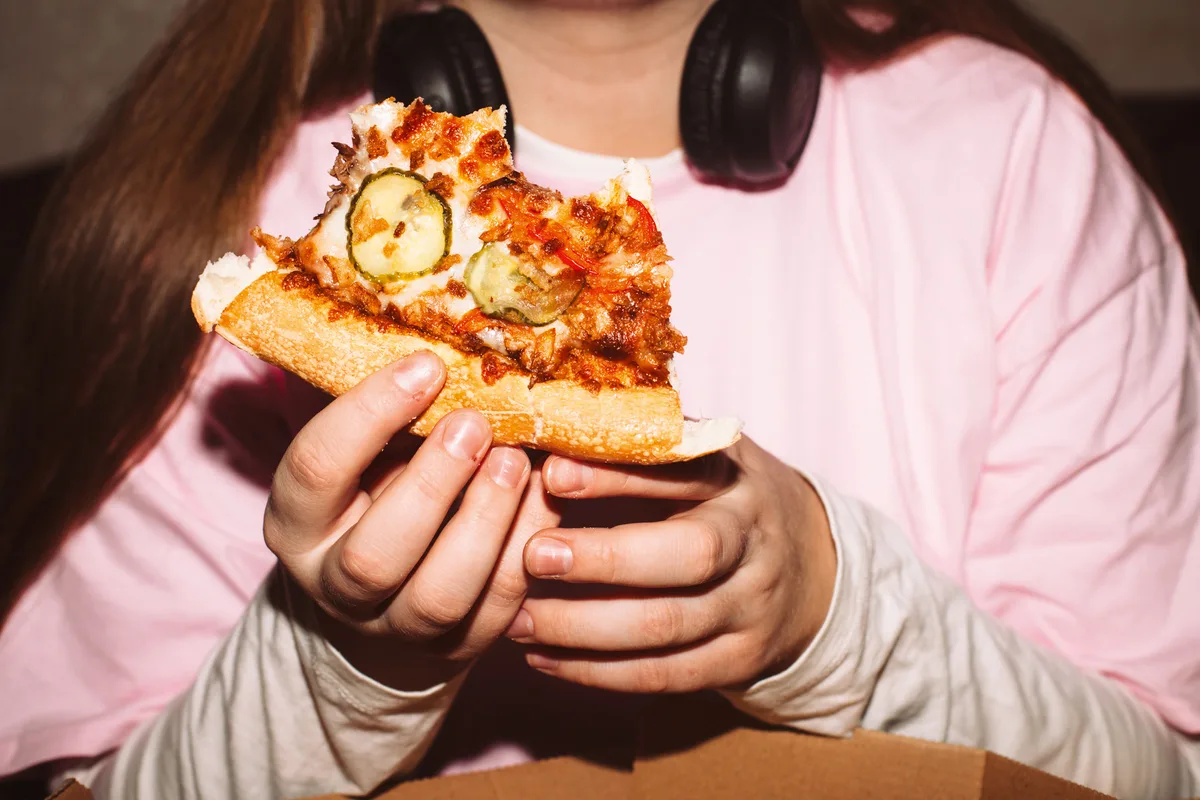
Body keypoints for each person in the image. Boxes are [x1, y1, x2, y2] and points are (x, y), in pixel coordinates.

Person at [1, 0, 1197, 797]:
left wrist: (843, 617)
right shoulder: (220, 220)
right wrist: (337, 660)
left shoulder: (1012, 156)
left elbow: (1159, 772)